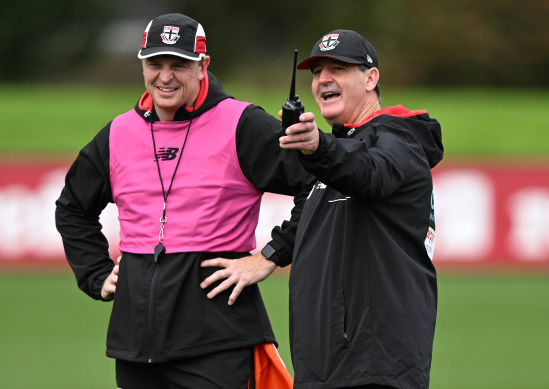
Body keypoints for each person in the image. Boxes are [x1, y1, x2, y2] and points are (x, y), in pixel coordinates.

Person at [55, 13, 312, 389]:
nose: (165, 76)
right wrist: (96, 274)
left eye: (179, 65)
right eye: (155, 64)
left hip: (218, 342)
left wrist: (269, 256)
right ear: (142, 65)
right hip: (135, 348)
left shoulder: (242, 122)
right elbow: (72, 207)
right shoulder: (119, 132)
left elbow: (319, 187)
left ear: (203, 65)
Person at [203, 29, 443, 388]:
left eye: (338, 68)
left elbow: (369, 173)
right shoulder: (342, 150)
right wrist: (268, 256)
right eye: (316, 72)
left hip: (373, 366)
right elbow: (321, 201)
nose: (323, 79)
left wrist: (319, 149)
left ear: (371, 78)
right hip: (325, 364)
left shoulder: (397, 139)